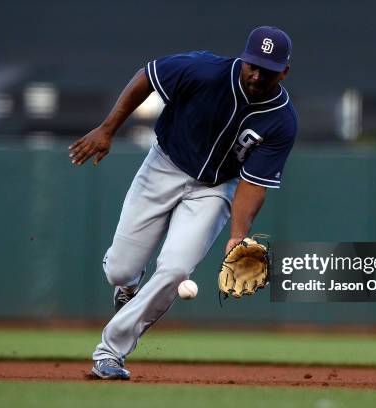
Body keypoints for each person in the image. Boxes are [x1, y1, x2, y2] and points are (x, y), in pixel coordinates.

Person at [68, 26, 297, 380]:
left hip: (215, 189)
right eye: (253, 64)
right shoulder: (204, 70)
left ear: (284, 71)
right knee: (118, 269)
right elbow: (146, 76)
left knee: (175, 271)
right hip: (163, 166)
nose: (257, 73)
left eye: (268, 69)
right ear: (243, 58)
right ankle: (127, 287)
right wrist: (108, 128)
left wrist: (238, 236)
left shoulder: (282, 119)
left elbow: (253, 184)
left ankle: (110, 352)